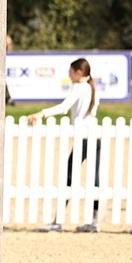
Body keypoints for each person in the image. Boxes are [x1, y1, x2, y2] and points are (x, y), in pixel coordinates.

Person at [26, 58, 101, 233]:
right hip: (95, 136)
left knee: (69, 176)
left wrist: (41, 114)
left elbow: (64, 108)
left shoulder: (79, 87)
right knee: (94, 178)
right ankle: (95, 221)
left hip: (83, 137)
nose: (69, 75)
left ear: (78, 72)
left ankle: (57, 220)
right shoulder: (92, 87)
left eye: (70, 72)